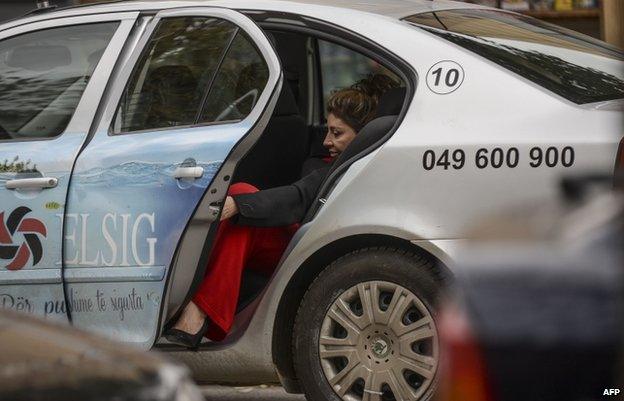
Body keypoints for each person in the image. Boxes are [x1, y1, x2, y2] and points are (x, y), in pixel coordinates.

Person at [165, 74, 398, 348]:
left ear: (361, 137)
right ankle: (197, 312)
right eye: (327, 130)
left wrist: (239, 204)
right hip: (300, 240)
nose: (326, 140)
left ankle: (186, 304)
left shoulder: (349, 167)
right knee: (241, 225)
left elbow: (299, 198)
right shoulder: (323, 155)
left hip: (309, 245)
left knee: (242, 193)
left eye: (337, 133)